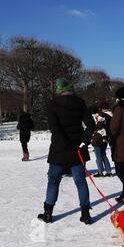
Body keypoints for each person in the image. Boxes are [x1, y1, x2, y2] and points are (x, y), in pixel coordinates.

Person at [37, 78, 95, 225]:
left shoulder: (53, 104)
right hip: (77, 150)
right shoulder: (80, 102)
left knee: (53, 181)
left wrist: (66, 145)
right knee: (80, 182)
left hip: (59, 150)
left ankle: (48, 213)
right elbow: (90, 125)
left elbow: (55, 129)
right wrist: (83, 142)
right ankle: (85, 214)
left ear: (59, 89)